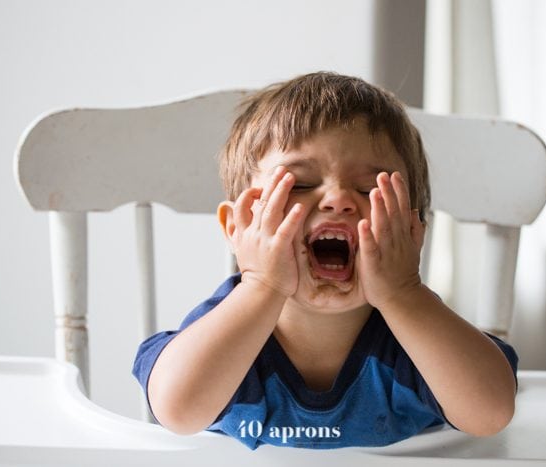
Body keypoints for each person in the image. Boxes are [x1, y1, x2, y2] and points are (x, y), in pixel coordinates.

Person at [133, 72, 518, 449]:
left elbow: (490, 413)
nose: (338, 199)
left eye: (371, 188)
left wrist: (403, 292)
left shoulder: (420, 340)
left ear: (412, 232)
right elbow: (177, 410)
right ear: (238, 228)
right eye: (299, 183)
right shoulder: (224, 332)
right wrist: (262, 286)